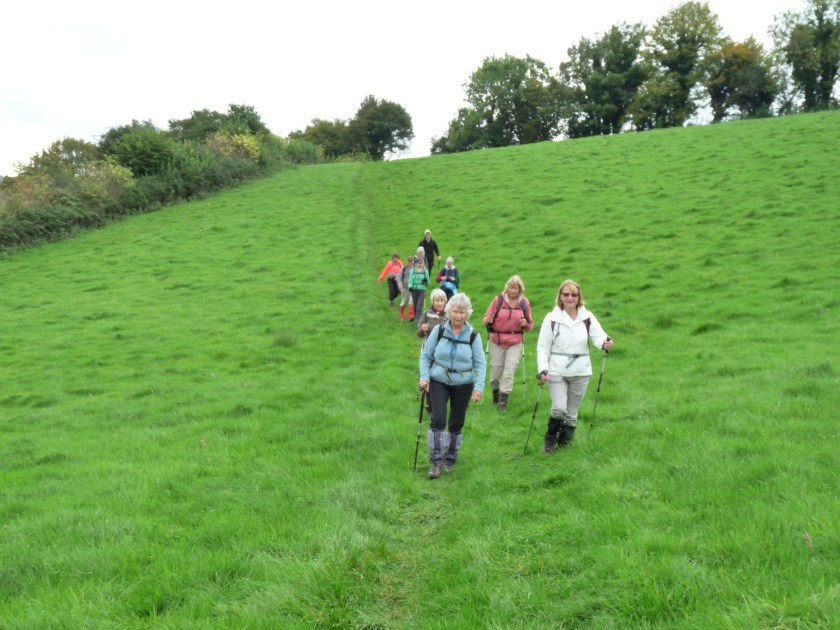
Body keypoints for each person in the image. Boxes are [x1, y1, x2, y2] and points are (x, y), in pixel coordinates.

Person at [536, 279, 613, 451]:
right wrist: (542, 369)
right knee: (559, 407)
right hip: (557, 370)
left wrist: (604, 343)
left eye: (574, 294)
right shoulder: (551, 318)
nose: (570, 297)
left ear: (579, 297)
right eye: (566, 294)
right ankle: (549, 441)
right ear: (560, 297)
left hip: (581, 371)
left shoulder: (587, 317)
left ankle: (563, 446)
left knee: (571, 412)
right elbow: (542, 347)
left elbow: (598, 336)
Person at [419, 293, 485, 479]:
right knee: (438, 418)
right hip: (439, 380)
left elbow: (480, 363)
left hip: (463, 384)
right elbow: (425, 356)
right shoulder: (439, 331)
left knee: (456, 422)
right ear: (449, 312)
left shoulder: (473, 336)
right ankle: (436, 460)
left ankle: (451, 456)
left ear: (467, 314)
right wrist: (425, 377)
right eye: (455, 311)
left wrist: (479, 387)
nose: (458, 316)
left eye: (462, 312)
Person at [482, 275, 534, 412]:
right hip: (497, 340)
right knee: (495, 372)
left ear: (520, 289)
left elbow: (530, 324)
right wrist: (489, 319)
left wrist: (526, 324)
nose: (513, 290)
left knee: (509, 370)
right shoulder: (498, 300)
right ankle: (495, 392)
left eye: (515, 288)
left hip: (515, 341)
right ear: (507, 288)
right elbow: (485, 321)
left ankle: (503, 401)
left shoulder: (524, 303)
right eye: (511, 287)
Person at [408, 257, 430, 324]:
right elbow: (410, 280)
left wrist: (426, 281)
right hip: (414, 290)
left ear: (423, 264)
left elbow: (428, 282)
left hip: (422, 290)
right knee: (415, 305)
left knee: (419, 306)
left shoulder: (425, 271)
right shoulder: (413, 271)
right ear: (415, 264)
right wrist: (410, 287)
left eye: (421, 263)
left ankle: (419, 321)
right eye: (418, 263)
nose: (420, 264)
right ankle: (416, 319)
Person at [398, 255, 415, 322]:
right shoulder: (404, 268)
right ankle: (403, 316)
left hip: (413, 288)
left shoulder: (415, 269)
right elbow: (399, 277)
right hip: (405, 288)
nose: (410, 262)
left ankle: (411, 316)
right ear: (407, 261)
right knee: (404, 302)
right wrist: (400, 286)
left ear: (413, 261)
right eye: (409, 261)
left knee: (412, 302)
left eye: (411, 261)